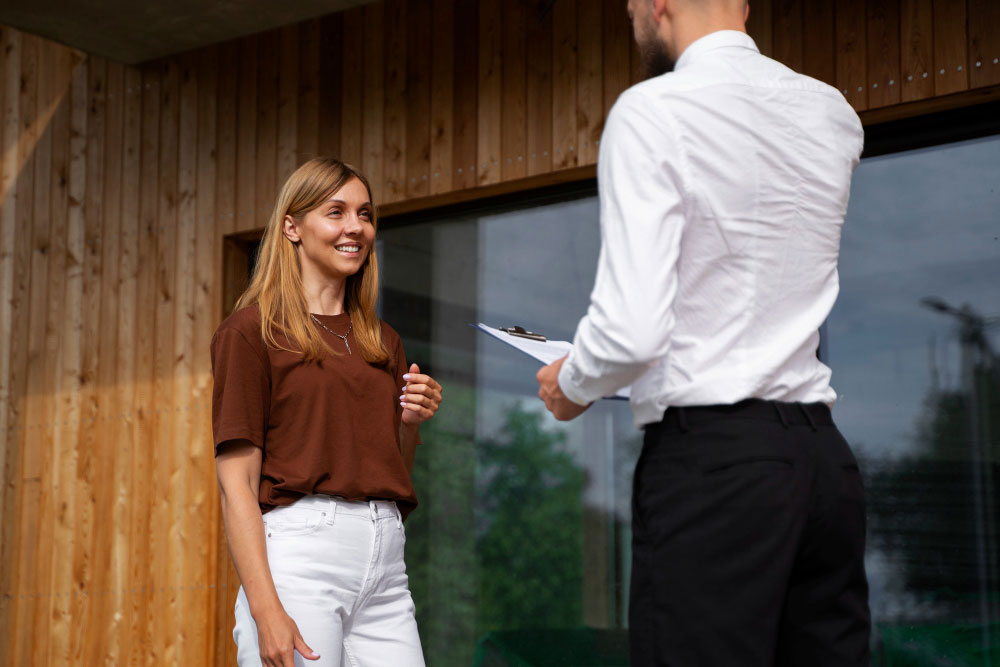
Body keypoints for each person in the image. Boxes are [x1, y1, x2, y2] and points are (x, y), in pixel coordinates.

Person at [536, 0, 870, 664]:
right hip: (824, 466)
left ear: (658, 3)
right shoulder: (832, 113)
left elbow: (630, 331)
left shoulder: (651, 110)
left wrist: (571, 383)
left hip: (715, 467)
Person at [211, 157, 441, 667]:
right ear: (292, 226)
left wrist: (409, 423)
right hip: (301, 556)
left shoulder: (383, 342)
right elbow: (237, 484)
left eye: (365, 213)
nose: (355, 227)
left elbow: (393, 473)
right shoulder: (251, 333)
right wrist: (265, 607)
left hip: (385, 560)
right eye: (335, 212)